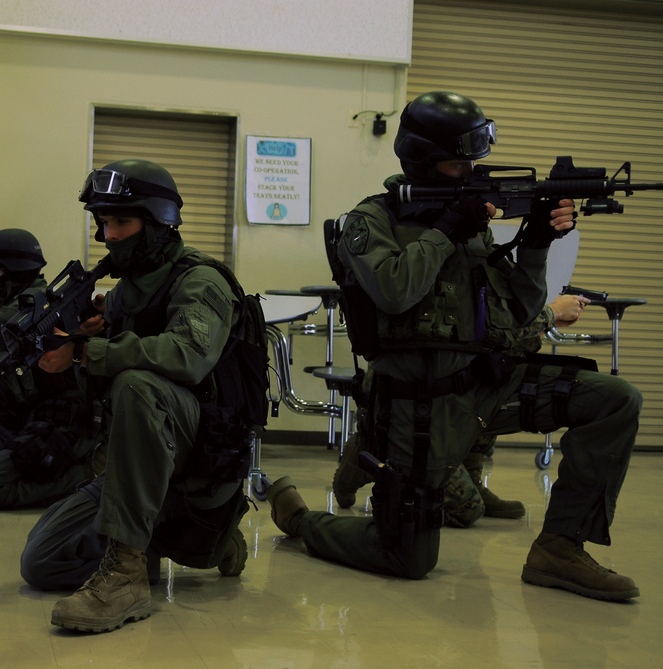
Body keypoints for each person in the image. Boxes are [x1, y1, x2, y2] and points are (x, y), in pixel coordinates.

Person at [268, 91, 642, 601]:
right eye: (455, 163)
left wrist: (535, 245)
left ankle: (560, 547)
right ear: (419, 160)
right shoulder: (370, 221)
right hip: (418, 400)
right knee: (406, 558)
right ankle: (303, 520)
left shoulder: (471, 225)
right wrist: (446, 231)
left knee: (614, 399)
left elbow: (516, 311)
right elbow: (395, 291)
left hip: (487, 384)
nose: (468, 173)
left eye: (473, 162)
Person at [19, 159, 253, 633]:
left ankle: (127, 572)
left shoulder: (200, 281)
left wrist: (89, 351)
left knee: (138, 385)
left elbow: (188, 355)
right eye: (103, 222)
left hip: (200, 456)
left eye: (121, 221)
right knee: (40, 562)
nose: (109, 235)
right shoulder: (126, 293)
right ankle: (158, 539)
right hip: (138, 463)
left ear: (158, 223)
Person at [332, 292, 591, 527]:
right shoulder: (439, 265)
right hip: (414, 406)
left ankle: (472, 479)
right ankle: (365, 453)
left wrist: (542, 326)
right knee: (467, 510)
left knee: (493, 383)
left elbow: (500, 341)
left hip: (448, 400)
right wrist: (551, 313)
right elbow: (490, 328)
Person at [0, 228, 102, 509]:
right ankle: (30, 461)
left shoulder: (25, 310)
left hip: (70, 425)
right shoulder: (43, 300)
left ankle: (90, 475)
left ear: (15, 271)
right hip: (46, 415)